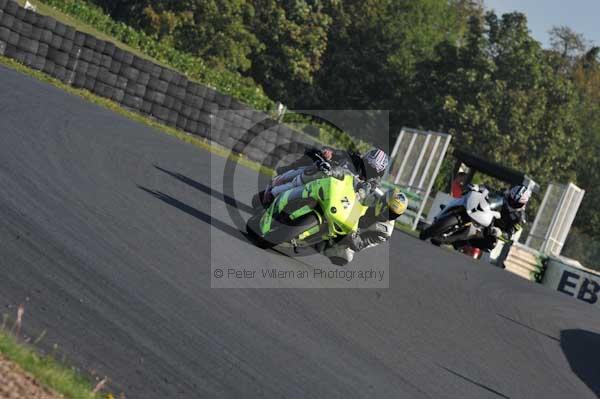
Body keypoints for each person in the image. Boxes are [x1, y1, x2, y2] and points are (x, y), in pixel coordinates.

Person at [262, 147, 389, 204]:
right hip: (324, 177)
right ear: (365, 160)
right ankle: (276, 187)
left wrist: (361, 194)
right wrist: (330, 154)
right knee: (312, 167)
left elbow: (368, 192)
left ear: (379, 173)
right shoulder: (353, 158)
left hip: (339, 197)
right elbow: (336, 153)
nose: (370, 170)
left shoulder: (374, 182)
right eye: (369, 165)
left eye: (374, 170)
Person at [321, 188, 408, 266]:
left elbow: (361, 245)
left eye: (394, 215)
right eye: (388, 211)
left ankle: (322, 245)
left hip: (349, 232)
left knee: (346, 256)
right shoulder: (374, 193)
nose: (389, 216)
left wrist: (354, 236)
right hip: (344, 206)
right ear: (383, 202)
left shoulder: (385, 232)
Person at [468, 184, 532, 252]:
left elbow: (508, 236)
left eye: (516, 203)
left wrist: (500, 233)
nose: (512, 203)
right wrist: (478, 187)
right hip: (483, 212)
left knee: (491, 244)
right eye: (511, 199)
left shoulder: (520, 219)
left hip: (491, 228)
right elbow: (488, 189)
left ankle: (465, 243)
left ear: (524, 203)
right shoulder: (504, 194)